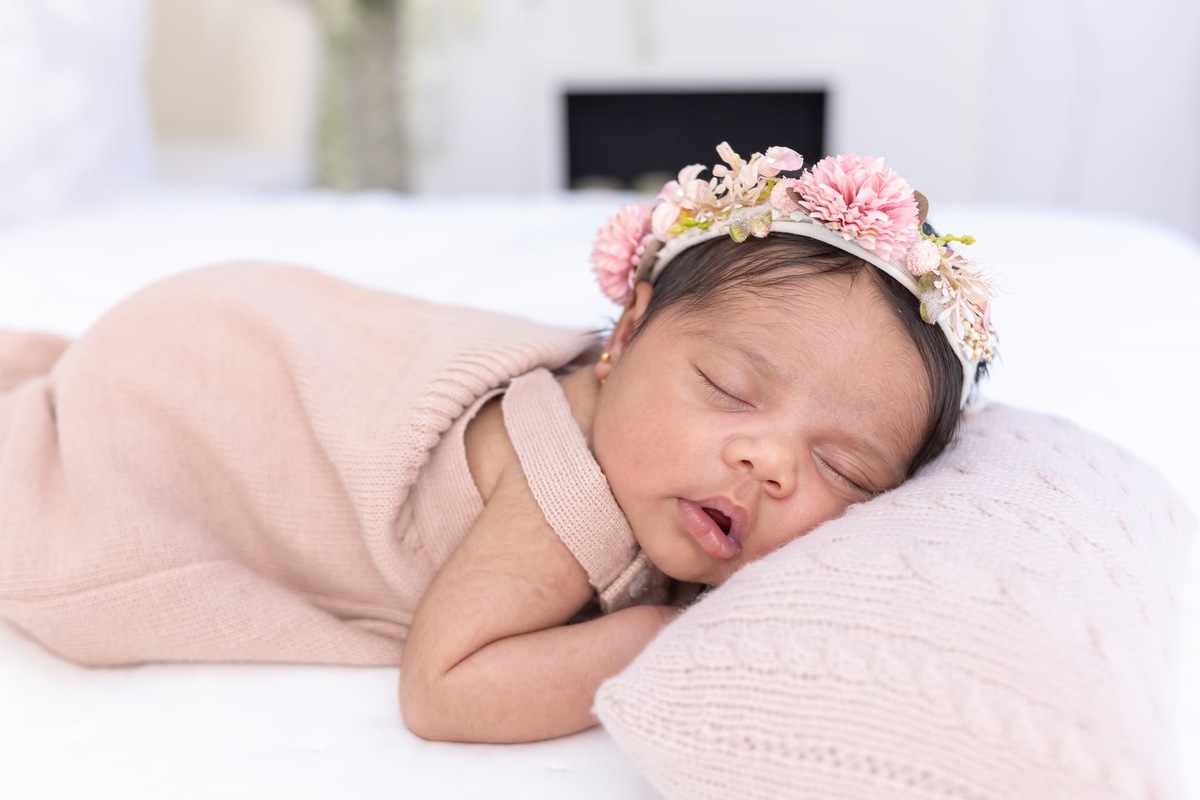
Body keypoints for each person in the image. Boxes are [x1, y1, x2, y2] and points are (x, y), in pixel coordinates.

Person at [0, 143, 997, 745]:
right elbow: (444, 687)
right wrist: (670, 633)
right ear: (630, 329)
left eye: (844, 467)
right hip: (196, 392)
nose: (771, 461)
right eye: (730, 389)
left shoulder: (647, 428)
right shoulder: (565, 499)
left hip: (233, 311)